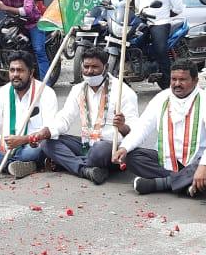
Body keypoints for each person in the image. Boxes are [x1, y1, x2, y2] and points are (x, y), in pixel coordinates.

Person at [113, 60, 206, 196]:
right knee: (131, 156)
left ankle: (161, 183)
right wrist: (124, 147)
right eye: (174, 79)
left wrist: (204, 165)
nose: (177, 84)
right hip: (165, 161)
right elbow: (143, 126)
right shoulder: (161, 98)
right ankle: (184, 184)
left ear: (195, 80)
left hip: (196, 161)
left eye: (182, 79)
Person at [37, 47, 139, 184]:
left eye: (95, 67)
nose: (90, 71)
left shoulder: (123, 92)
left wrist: (122, 127)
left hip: (111, 146)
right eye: (86, 67)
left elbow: (135, 133)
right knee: (47, 143)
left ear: (106, 67)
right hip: (86, 144)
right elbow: (65, 117)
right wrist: (48, 130)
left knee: (99, 150)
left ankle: (70, 163)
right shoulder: (77, 89)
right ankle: (85, 170)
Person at [0, 52, 59, 178]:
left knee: (40, 149)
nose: (15, 74)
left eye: (20, 70)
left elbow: (49, 129)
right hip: (5, 145)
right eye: (12, 70)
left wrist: (24, 139)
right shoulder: (2, 92)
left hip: (31, 145)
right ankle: (17, 166)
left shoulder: (46, 93)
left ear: (31, 72)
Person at [135, 0, 184, 89]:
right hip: (143, 19)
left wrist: (163, 16)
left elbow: (178, 8)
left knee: (161, 50)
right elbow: (137, 3)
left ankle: (169, 84)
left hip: (160, 23)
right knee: (131, 42)